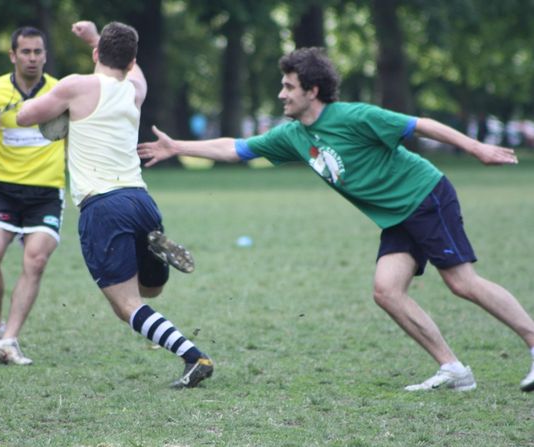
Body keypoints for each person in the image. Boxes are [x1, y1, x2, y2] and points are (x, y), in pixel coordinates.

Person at [137, 47, 534, 392]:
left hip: (425, 197)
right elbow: (235, 148)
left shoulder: (354, 116)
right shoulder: (293, 135)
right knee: (387, 291)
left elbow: (420, 125)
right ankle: (453, 369)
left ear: (312, 91)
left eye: (289, 87)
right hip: (396, 216)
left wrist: (476, 147)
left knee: (461, 283)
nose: (281, 94)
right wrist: (177, 146)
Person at [16, 20, 214, 388]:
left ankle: (194, 357)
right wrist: (96, 37)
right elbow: (135, 73)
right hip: (141, 201)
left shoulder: (76, 86)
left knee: (127, 306)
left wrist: (61, 114)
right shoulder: (134, 89)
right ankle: (155, 251)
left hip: (103, 207)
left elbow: (25, 116)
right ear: (131, 59)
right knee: (147, 292)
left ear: (95, 54)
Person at [0, 26, 66, 365]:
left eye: (38, 52)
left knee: (35, 259)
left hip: (46, 193)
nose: (33, 58)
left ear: (45, 55)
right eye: (26, 52)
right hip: (4, 190)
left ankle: (10, 340)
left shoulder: (59, 92)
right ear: (13, 55)